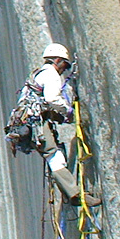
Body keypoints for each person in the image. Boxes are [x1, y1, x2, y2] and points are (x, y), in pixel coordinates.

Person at [32, 43, 101, 207]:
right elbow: (52, 99)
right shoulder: (50, 74)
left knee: (55, 156)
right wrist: (68, 111)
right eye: (65, 64)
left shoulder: (39, 74)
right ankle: (76, 195)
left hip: (33, 123)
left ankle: (69, 193)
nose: (64, 69)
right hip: (36, 123)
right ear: (57, 60)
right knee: (55, 157)